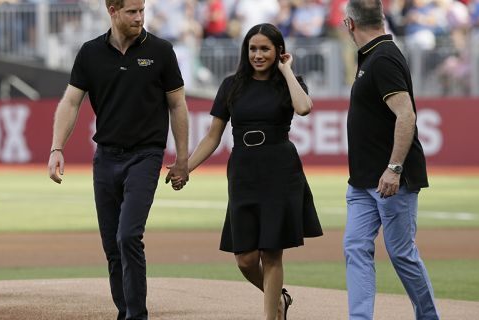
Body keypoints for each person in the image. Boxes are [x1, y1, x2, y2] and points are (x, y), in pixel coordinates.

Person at [168, 23, 323, 320]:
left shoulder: (290, 82)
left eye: (265, 48)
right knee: (246, 259)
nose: (258, 54)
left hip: (280, 170)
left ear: (279, 51)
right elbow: (213, 136)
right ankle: (278, 298)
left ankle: (272, 315)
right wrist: (185, 166)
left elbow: (303, 108)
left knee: (271, 251)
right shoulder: (231, 85)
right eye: (253, 48)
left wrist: (287, 70)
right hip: (243, 172)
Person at [47, 0, 190, 319]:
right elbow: (71, 102)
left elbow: (178, 105)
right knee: (112, 247)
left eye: (142, 11)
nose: (139, 17)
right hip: (106, 157)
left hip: (146, 155)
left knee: (128, 235)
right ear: (112, 11)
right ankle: (125, 311)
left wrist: (182, 159)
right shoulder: (90, 53)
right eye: (132, 12)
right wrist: (57, 148)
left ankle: (136, 316)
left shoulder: (161, 51)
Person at [341, 0, 440, 319]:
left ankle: (428, 317)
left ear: (349, 24)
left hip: (391, 179)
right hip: (362, 181)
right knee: (356, 248)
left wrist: (394, 168)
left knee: (401, 254)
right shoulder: (373, 55)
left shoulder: (383, 57)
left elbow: (406, 115)